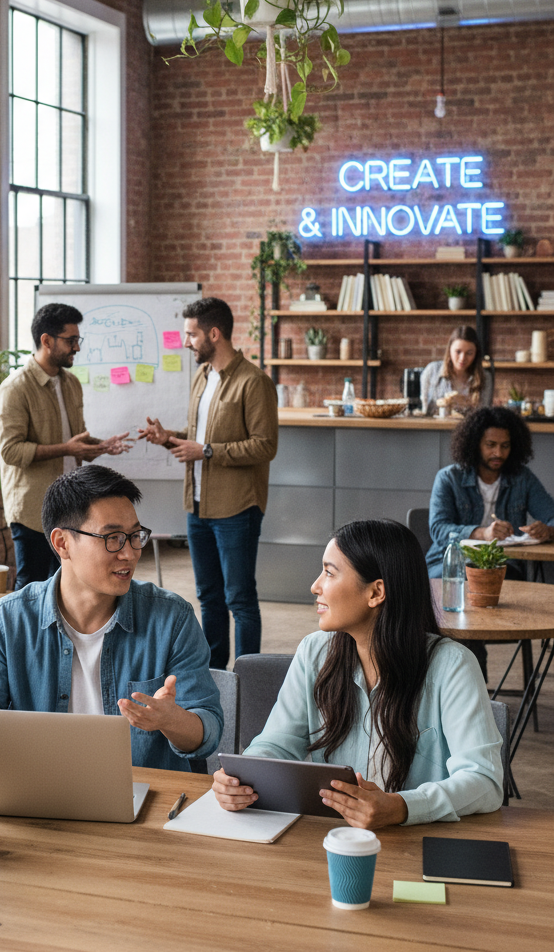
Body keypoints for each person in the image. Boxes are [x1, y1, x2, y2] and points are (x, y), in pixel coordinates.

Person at [212, 519, 504, 829]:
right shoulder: (315, 651)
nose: (315, 586)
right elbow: (278, 744)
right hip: (336, 838)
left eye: (329, 572)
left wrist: (402, 807)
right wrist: (242, 777)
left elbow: (484, 780)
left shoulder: (453, 665)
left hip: (419, 842)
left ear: (376, 592)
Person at [0, 465, 223, 771]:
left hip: (143, 799)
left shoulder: (172, 618)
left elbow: (207, 732)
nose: (129, 553)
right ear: (62, 543)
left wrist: (172, 720)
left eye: (135, 536)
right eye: (113, 537)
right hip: (40, 793)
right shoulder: (9, 619)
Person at [138, 296, 277, 670]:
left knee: (240, 599)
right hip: (197, 506)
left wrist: (209, 452)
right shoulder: (202, 377)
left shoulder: (254, 382)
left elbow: (265, 446)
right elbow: (200, 439)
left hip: (236, 509)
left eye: (192, 334)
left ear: (214, 334)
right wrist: (168, 437)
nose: (186, 342)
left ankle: (249, 677)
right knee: (208, 597)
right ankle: (216, 676)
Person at [0, 303, 130, 590]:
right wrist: (68, 449)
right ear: (46, 341)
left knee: (72, 585)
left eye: (77, 340)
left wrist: (101, 446)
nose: (76, 348)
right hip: (32, 509)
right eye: (70, 340)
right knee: (32, 585)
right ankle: (28, 638)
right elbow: (11, 452)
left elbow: (73, 439)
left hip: (72, 506)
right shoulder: (14, 389)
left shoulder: (71, 383)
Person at [426, 406, 554, 677]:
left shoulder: (522, 478)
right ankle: (470, 677)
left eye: (505, 446)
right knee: (462, 605)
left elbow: (552, 516)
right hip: (449, 566)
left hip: (502, 567)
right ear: (475, 444)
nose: (498, 453)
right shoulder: (449, 478)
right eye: (491, 445)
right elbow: (438, 529)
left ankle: (467, 682)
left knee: (477, 600)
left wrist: (547, 530)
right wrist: (482, 533)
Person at [419, 325, 494, 416]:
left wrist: (466, 403)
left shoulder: (485, 378)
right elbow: (423, 411)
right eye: (458, 352)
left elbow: (484, 416)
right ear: (449, 350)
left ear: (476, 354)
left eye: (469, 353)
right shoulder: (432, 371)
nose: (462, 358)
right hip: (434, 429)